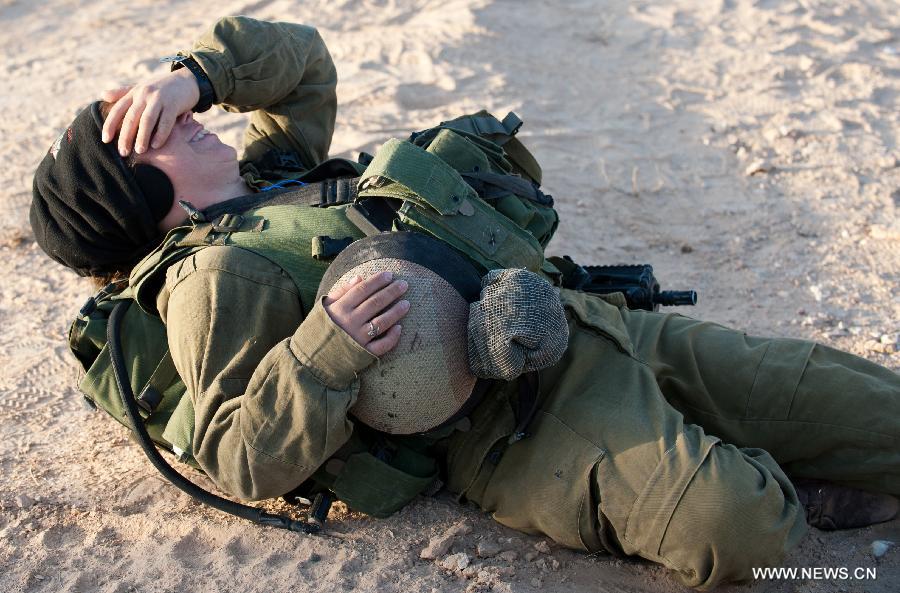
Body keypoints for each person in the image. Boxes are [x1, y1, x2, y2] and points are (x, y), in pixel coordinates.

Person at [30, 16, 900, 590]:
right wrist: (327, 349)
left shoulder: (267, 175)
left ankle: (778, 448)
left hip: (581, 320)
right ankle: (793, 486)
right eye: (154, 137)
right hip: (517, 425)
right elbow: (237, 453)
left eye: (167, 114)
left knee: (874, 414)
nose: (183, 122)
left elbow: (304, 65)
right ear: (151, 208)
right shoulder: (210, 280)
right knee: (743, 530)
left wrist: (198, 75)